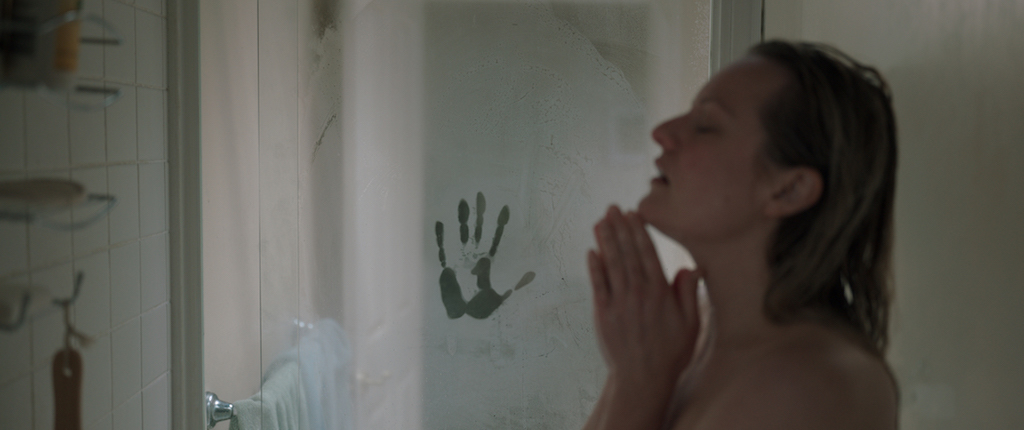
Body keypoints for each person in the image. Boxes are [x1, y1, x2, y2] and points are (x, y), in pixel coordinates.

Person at [583, 40, 899, 430]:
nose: (662, 132)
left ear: (788, 190)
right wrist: (634, 374)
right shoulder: (681, 338)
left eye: (706, 125)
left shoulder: (809, 383)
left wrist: (638, 385)